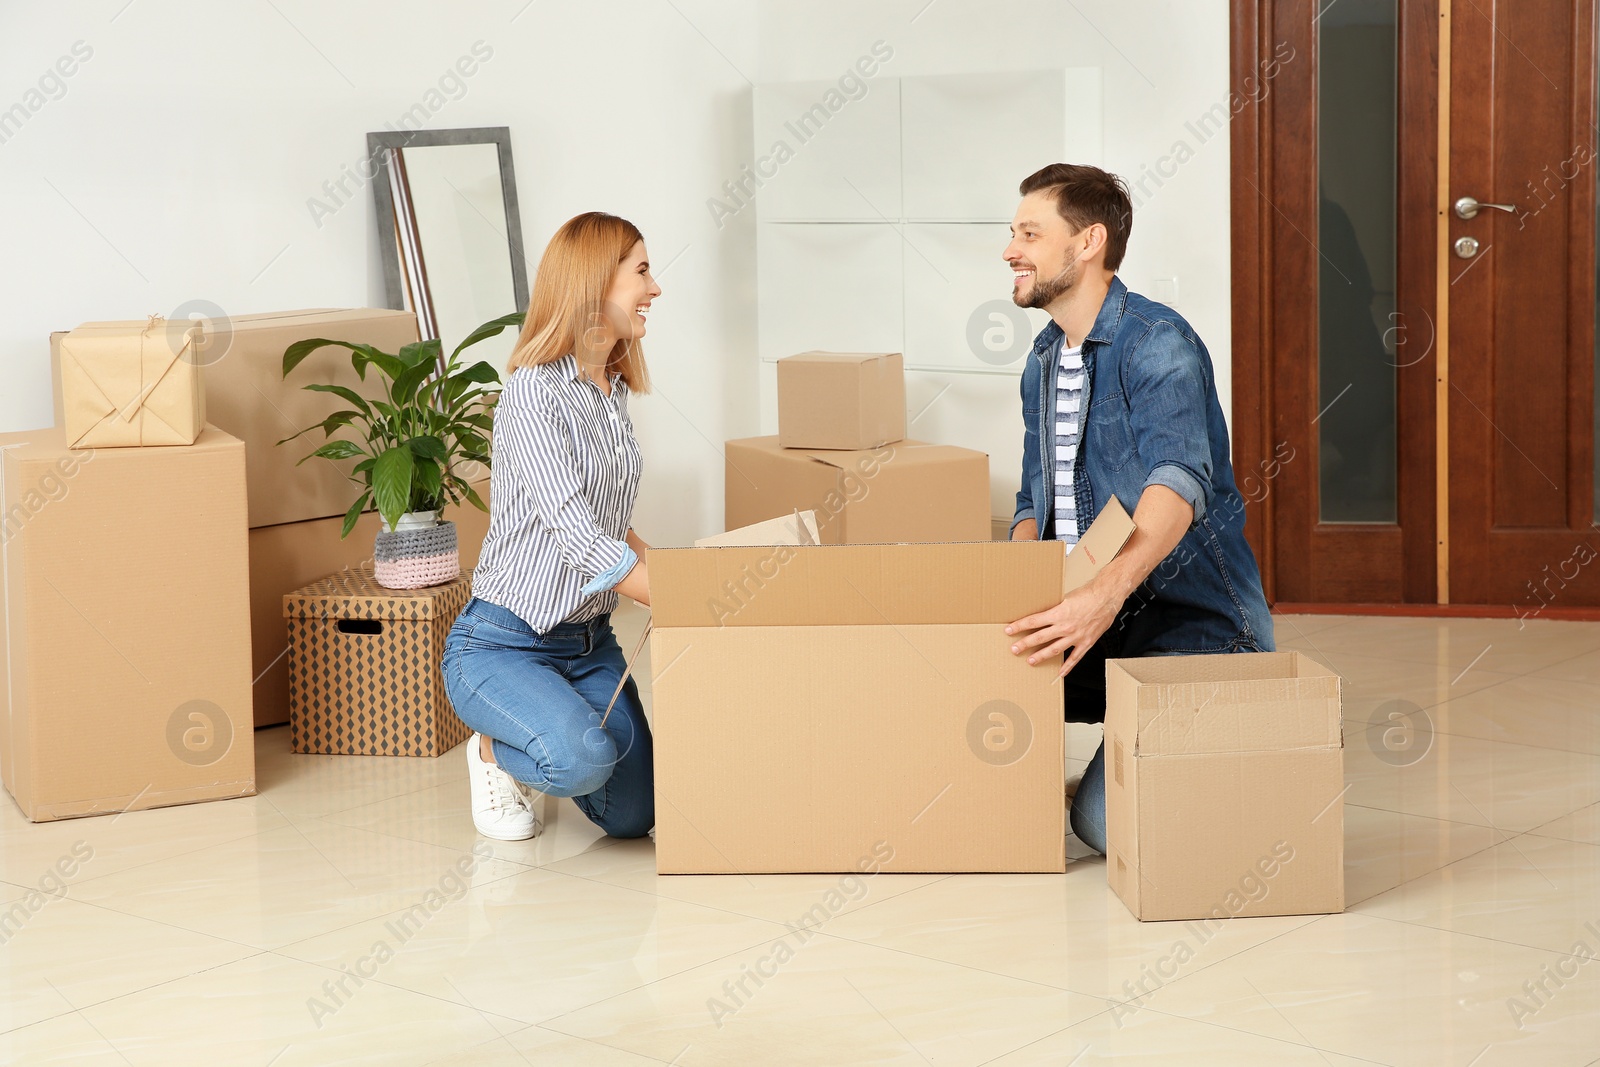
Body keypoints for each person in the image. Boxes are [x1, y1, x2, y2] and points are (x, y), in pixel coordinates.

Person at [1001, 163, 1274, 855]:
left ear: (1087, 242)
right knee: (960, 692)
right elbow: (1035, 497)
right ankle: (1148, 748)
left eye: (1030, 233)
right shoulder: (1041, 360)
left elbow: (1177, 483)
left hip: (1195, 626)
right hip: (1104, 621)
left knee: (1102, 823)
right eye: (1013, 233)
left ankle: (1233, 747)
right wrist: (1020, 591)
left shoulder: (1157, 343)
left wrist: (1100, 595)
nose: (1011, 250)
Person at [442, 211, 660, 842]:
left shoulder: (610, 392)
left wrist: (680, 570)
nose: (655, 288)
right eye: (642, 271)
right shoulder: (533, 391)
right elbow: (572, 527)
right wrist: (663, 593)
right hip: (505, 642)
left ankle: (555, 729)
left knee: (632, 815)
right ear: (596, 282)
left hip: (590, 644)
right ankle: (488, 752)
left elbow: (610, 523)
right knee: (581, 760)